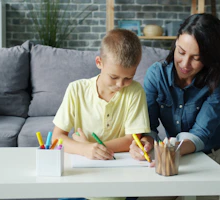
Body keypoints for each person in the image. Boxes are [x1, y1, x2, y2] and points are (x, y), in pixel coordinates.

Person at [129, 13, 220, 200]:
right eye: (181, 52)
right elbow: (148, 126)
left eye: (196, 57)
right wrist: (146, 142)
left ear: (210, 57)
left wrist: (168, 152)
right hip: (178, 156)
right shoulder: (157, 74)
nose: (185, 64)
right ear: (176, 43)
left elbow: (200, 133)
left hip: (217, 158)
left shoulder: (218, 79)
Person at [52, 28, 150, 161]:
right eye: (113, 77)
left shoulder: (135, 91)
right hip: (84, 161)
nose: (120, 84)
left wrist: (89, 146)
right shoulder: (76, 89)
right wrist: (84, 149)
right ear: (99, 62)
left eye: (128, 78)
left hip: (120, 162)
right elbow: (57, 138)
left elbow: (132, 139)